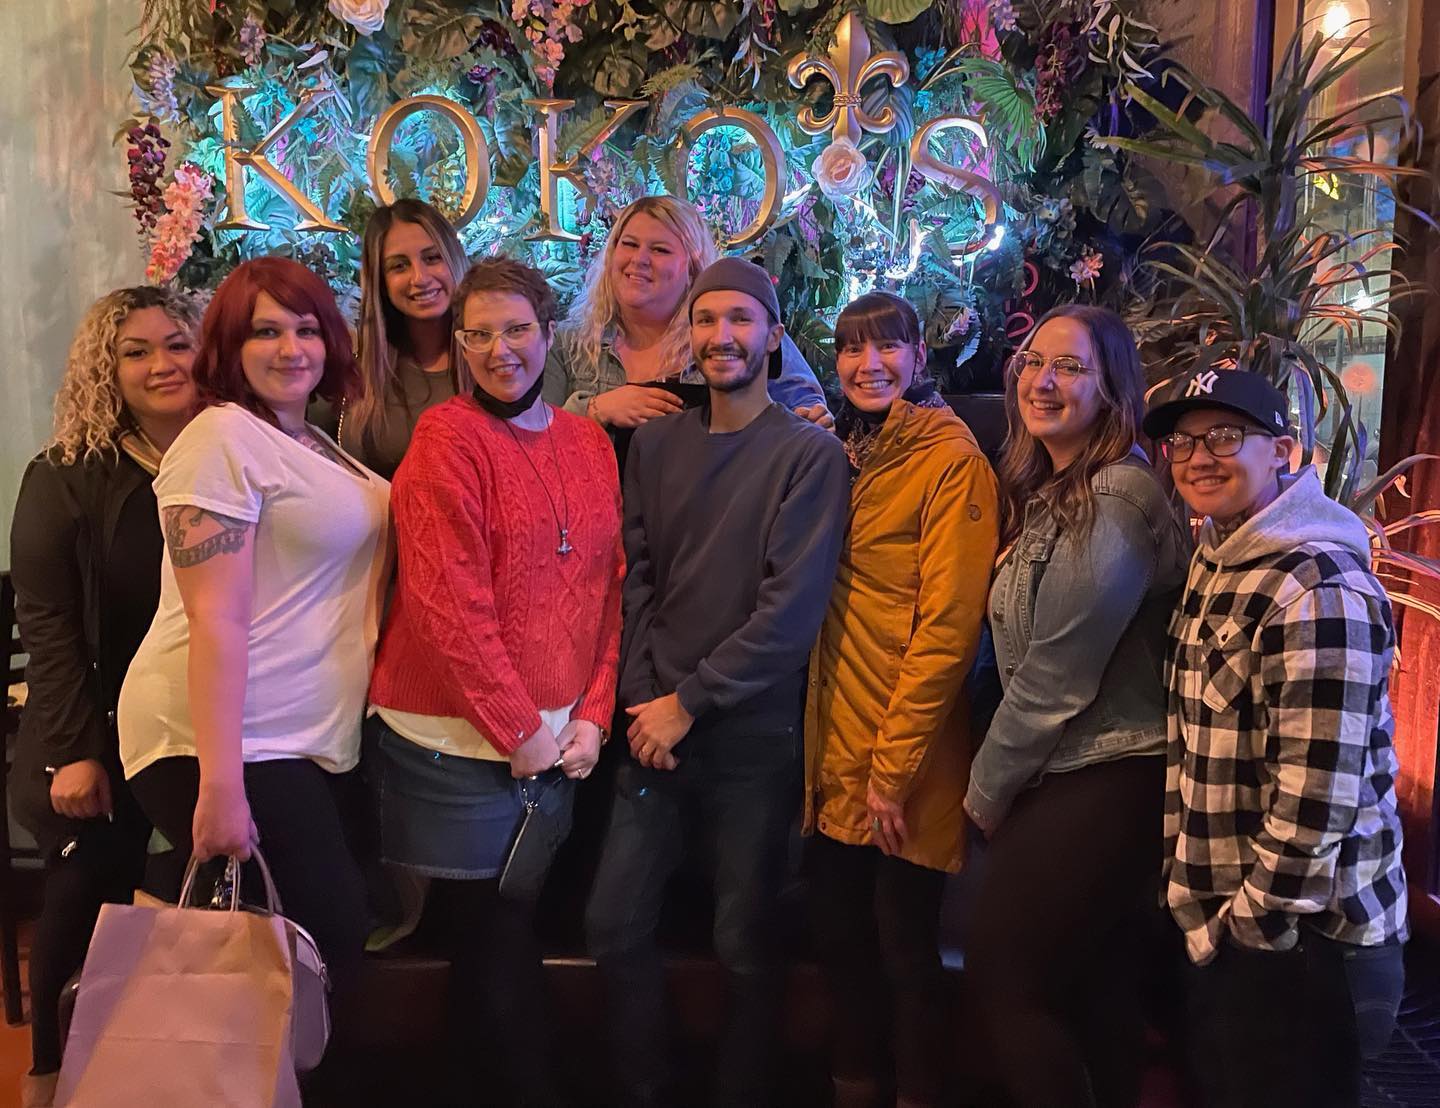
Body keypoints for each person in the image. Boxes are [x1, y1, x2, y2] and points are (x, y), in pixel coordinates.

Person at [584, 257, 850, 1107]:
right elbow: (637, 579)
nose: (721, 336)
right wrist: (645, 702)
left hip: (751, 737)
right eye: (706, 320)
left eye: (740, 319)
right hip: (651, 731)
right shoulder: (658, 445)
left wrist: (688, 703)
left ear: (773, 337)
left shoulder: (809, 455)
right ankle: (646, 1089)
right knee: (612, 925)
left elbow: (789, 613)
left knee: (745, 942)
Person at [365, 257, 623, 1106]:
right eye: (478, 334)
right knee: (489, 939)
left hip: (557, 741)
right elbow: (447, 604)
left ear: (549, 333)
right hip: (450, 739)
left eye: (516, 330)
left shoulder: (587, 441)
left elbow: (609, 588)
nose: (499, 350)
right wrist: (519, 727)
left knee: (517, 934)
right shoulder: (446, 437)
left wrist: (594, 712)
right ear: (460, 345)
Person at [116, 257, 389, 1003]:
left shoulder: (311, 440)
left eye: (307, 329)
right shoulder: (219, 438)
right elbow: (217, 618)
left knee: (301, 947)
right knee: (322, 937)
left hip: (295, 736)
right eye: (265, 332)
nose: (291, 349)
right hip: (223, 737)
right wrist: (220, 783)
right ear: (229, 346)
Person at [1145, 368, 1408, 1107]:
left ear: (1283, 452)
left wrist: (1248, 926)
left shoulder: (1318, 585)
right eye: (1182, 442)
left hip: (1308, 943)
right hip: (1232, 927)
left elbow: (1317, 800)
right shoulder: (1218, 553)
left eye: (1225, 436)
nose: (1199, 457)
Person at [959, 305, 1190, 1107]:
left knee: (1004, 979)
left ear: (1112, 388)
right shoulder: (1063, 491)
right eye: (1033, 361)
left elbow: (1056, 674)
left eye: (1070, 367)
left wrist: (981, 795)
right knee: (1094, 991)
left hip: (1109, 768)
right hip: (1077, 769)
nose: (1043, 380)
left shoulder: (1118, 495)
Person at [804, 292, 998, 1108]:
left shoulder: (950, 460)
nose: (868, 364)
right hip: (835, 744)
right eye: (852, 349)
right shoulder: (852, 448)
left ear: (921, 356)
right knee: (842, 946)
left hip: (904, 754)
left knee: (905, 956)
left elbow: (949, 629)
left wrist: (893, 770)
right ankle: (853, 1087)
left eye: (887, 347)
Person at [10, 287, 202, 1108]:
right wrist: (75, 752)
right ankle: (48, 1073)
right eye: (136, 351)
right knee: (84, 887)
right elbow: (49, 627)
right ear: (107, 368)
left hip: (192, 727)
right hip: (93, 732)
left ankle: (165, 1071)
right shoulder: (64, 475)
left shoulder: (229, 453)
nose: (162, 364)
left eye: (178, 344)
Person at [543, 195, 831, 444]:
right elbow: (535, 447)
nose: (639, 259)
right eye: (629, 244)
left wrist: (812, 418)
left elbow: (806, 407)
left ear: (693, 268)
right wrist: (595, 410)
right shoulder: (566, 344)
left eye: (660, 250)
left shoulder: (728, 335)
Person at [333, 198, 470, 478]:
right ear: (380, 282)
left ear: (454, 259)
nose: (419, 278)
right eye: (399, 266)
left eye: (432, 258)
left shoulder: (495, 359)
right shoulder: (352, 370)